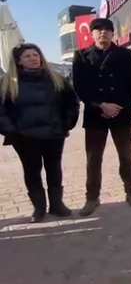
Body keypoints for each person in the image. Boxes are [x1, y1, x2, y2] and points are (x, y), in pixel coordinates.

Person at [0, 43, 79, 223]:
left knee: (54, 169)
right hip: (25, 138)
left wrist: (67, 123)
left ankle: (57, 205)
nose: (33, 58)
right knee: (32, 172)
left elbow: (71, 102)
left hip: (54, 134)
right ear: (19, 61)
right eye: (27, 56)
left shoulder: (56, 79)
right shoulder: (7, 84)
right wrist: (12, 130)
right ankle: (39, 208)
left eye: (35, 55)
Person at [72, 18, 131, 216]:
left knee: (126, 155)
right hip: (96, 113)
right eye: (98, 30)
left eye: (107, 30)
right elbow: (79, 86)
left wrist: (118, 106)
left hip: (121, 112)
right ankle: (92, 198)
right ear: (92, 34)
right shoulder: (81, 55)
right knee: (93, 158)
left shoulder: (126, 54)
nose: (103, 33)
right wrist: (101, 105)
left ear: (113, 34)